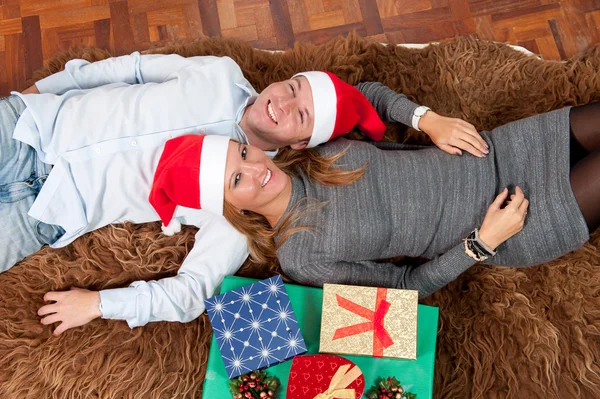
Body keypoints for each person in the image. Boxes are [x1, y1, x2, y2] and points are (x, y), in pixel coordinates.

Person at [2, 54, 483, 335]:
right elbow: (130, 70)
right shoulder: (220, 71)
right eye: (293, 87)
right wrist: (47, 88)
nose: (281, 103)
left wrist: (99, 305)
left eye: (299, 116)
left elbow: (191, 293)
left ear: (300, 143)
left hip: (49, 209)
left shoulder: (246, 205)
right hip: (32, 124)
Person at [152, 100, 599, 298]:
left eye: (245, 153)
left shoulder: (307, 149)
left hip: (499, 148)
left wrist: (427, 121)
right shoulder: (301, 257)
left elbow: (367, 92)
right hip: (513, 221)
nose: (257, 168)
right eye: (236, 179)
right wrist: (481, 243)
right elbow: (407, 289)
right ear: (233, 208)